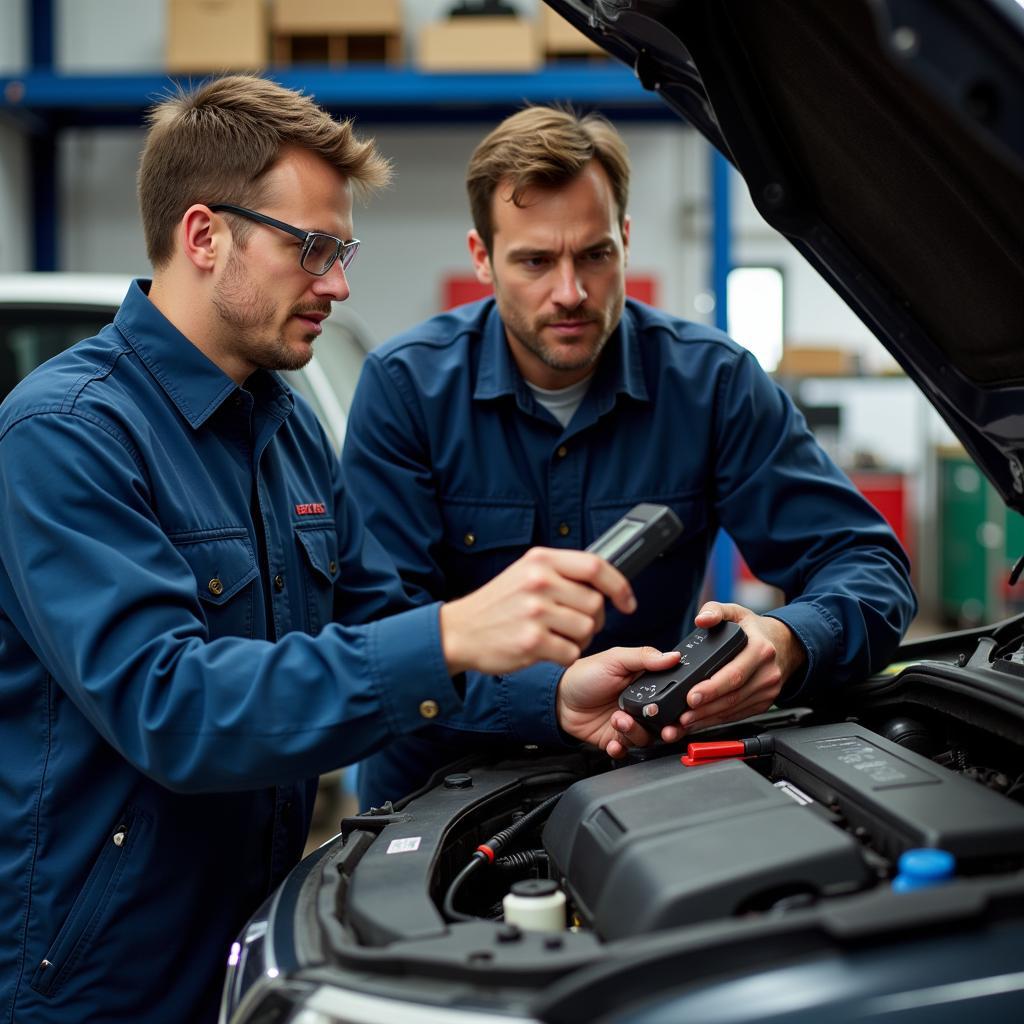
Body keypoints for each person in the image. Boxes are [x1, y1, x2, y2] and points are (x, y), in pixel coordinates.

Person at [0, 79, 677, 1024]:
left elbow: (367, 634)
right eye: (311, 248)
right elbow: (172, 707)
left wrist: (551, 696)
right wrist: (449, 632)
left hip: (259, 937)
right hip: (100, 982)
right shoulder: (65, 437)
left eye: (342, 249)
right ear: (204, 237)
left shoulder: (285, 429)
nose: (340, 282)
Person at [342, 105, 918, 809]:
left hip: (644, 780)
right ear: (480, 256)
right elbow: (379, 634)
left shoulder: (711, 384)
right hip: (435, 795)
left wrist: (788, 641)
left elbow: (869, 566)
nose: (570, 292)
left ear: (625, 238)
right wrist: (547, 696)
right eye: (533, 260)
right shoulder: (405, 391)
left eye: (594, 254)